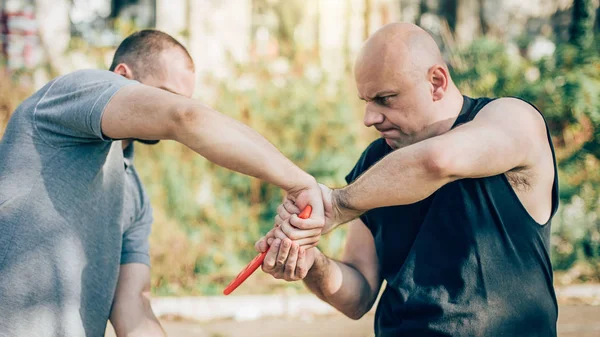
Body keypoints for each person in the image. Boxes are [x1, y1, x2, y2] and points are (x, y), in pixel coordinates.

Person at [0, 30, 324, 337]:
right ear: (122, 75)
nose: (173, 107)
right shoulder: (76, 90)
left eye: (184, 100)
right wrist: (299, 182)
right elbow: (185, 118)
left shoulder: (133, 193)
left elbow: (134, 311)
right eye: (166, 96)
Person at [257, 22, 559, 336]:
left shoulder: (514, 119)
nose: (369, 119)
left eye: (385, 99)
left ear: (437, 82)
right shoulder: (374, 164)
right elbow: (357, 296)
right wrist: (311, 262)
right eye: (366, 102)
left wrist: (338, 204)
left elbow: (438, 161)